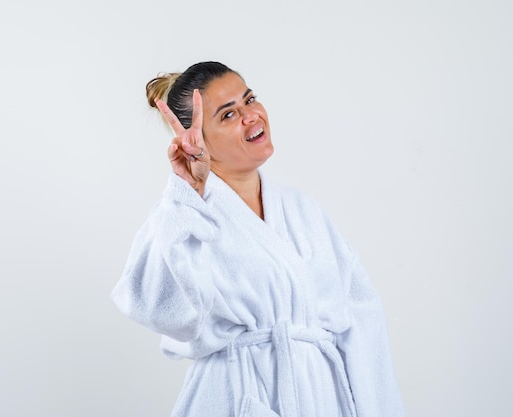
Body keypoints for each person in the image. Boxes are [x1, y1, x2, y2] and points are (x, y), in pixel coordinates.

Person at [111, 61, 405, 417]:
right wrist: (186, 194)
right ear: (198, 140)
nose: (251, 116)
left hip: (324, 398)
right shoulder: (185, 212)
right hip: (236, 397)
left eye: (249, 100)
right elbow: (158, 305)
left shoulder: (304, 210)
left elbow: (363, 321)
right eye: (229, 115)